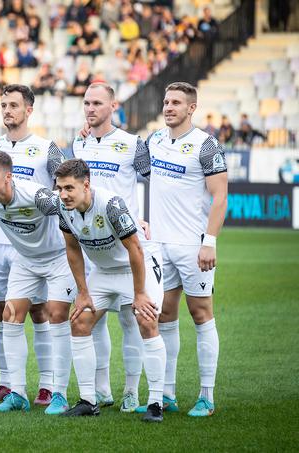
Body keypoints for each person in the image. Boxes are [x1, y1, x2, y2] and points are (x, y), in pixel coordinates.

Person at [0, 152, 76, 414]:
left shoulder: (36, 195)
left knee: (56, 316)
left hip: (57, 258)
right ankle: (18, 393)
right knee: (10, 316)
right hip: (26, 260)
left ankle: (59, 394)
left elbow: (73, 202)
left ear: (8, 177)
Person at [140, 82, 227, 417]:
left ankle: (207, 396)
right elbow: (126, 165)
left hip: (193, 245)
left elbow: (220, 196)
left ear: (192, 108)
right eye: (165, 101)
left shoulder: (206, 145)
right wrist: (88, 131)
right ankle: (167, 393)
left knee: (201, 313)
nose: (168, 107)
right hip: (159, 245)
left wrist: (209, 241)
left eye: (176, 102)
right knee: (164, 315)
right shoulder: (154, 141)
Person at [56, 158, 167, 422]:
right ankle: (88, 400)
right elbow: (72, 249)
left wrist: (139, 294)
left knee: (146, 320)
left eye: (69, 188)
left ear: (86, 184)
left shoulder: (111, 204)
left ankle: (155, 402)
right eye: (59, 188)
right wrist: (82, 292)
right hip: (104, 272)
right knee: (80, 321)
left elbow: (136, 249)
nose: (63, 195)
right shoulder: (63, 208)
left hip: (136, 267)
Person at [72, 82, 154, 412]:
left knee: (129, 320)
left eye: (97, 103)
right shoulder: (78, 144)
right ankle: (102, 388)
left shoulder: (133, 144)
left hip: (124, 245)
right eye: (86, 103)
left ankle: (132, 391)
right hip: (91, 246)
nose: (90, 109)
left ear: (113, 106)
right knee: (93, 320)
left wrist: (147, 218)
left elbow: (156, 183)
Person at [0, 85, 62, 407]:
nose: (7, 111)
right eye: (3, 105)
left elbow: (63, 190)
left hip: (35, 243)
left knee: (41, 312)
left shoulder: (46, 148)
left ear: (29, 110)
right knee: (3, 311)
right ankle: (7, 382)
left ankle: (46, 383)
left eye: (13, 105)